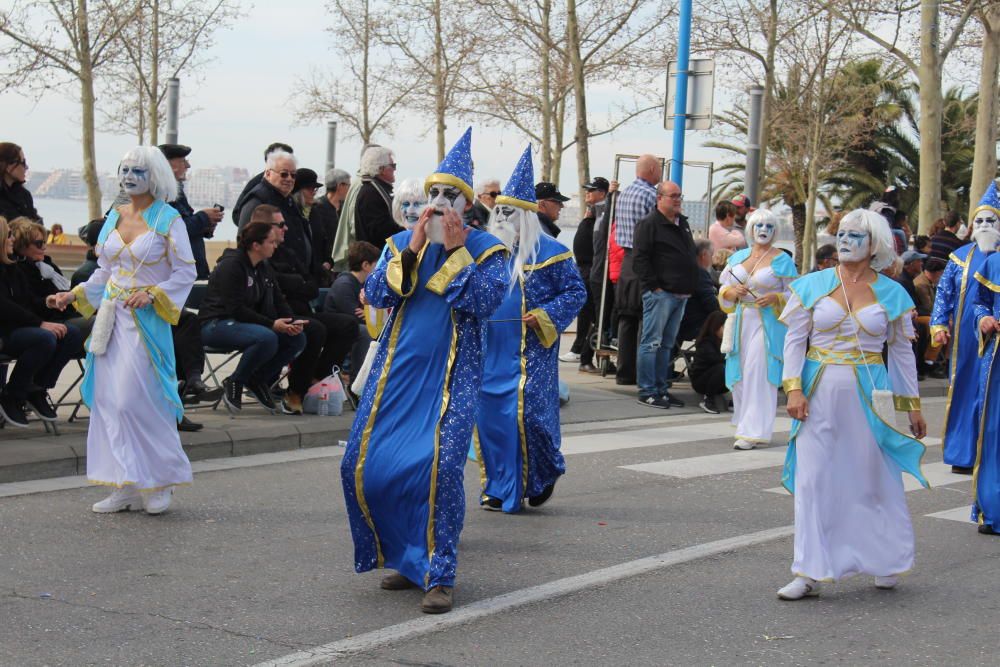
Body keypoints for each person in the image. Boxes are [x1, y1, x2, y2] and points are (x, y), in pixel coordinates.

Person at [340, 128, 508, 614]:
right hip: (397, 372)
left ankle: (440, 573)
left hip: (450, 377)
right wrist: (411, 250)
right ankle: (409, 557)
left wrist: (456, 252)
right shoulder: (397, 243)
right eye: (431, 194)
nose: (436, 204)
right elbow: (378, 294)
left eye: (447, 196)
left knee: (437, 468)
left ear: (466, 204)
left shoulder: (488, 250)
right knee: (365, 465)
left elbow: (483, 301)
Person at [776, 208, 928, 600]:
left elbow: (902, 353)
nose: (844, 240)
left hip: (871, 394)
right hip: (818, 391)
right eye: (841, 234)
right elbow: (794, 341)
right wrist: (793, 389)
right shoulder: (812, 285)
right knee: (813, 480)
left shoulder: (893, 293)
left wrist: (912, 406)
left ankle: (886, 560)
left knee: (873, 479)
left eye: (854, 235)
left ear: (874, 243)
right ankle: (808, 570)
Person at [47, 146, 197, 515]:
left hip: (146, 326)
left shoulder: (168, 219)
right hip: (111, 321)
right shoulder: (115, 214)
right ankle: (125, 483)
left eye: (138, 171)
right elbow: (105, 272)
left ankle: (159, 481)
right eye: (125, 169)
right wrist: (74, 294)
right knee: (109, 401)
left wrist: (153, 294)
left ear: (155, 176)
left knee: (138, 400)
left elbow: (186, 272)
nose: (129, 176)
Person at [476, 146, 587, 513]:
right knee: (491, 418)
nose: (504, 220)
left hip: (532, 352)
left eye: (511, 214)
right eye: (500, 213)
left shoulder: (554, 253)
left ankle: (541, 475)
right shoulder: (487, 255)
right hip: (491, 351)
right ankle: (497, 484)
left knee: (529, 419)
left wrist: (544, 315)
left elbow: (576, 292)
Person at [198, 219, 307, 412]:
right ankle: (236, 381)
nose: (275, 245)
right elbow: (235, 308)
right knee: (266, 337)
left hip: (243, 323)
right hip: (215, 324)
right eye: (271, 242)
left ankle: (257, 378)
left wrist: (291, 321)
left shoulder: (263, 267)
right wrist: (272, 324)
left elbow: (278, 299)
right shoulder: (232, 266)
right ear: (256, 245)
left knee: (296, 338)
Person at [930, 182, 1000, 474]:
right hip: (964, 342)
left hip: (994, 338)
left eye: (990, 220)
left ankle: (989, 454)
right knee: (962, 390)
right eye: (978, 221)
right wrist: (937, 326)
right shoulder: (959, 258)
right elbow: (943, 295)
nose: (983, 225)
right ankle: (962, 453)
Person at [264, 204, 357, 414]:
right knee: (314, 329)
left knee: (347, 325)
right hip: (278, 315)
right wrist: (297, 283)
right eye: (280, 225)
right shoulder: (263, 255)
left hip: (302, 309)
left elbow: (312, 285)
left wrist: (296, 284)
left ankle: (316, 379)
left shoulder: (289, 252)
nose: (285, 229)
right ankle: (296, 391)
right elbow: (276, 284)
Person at [719, 209, 798, 449]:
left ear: (775, 231)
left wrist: (776, 297)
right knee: (740, 373)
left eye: (769, 226)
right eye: (759, 226)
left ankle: (754, 430)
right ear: (751, 229)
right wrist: (732, 292)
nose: (764, 230)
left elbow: (795, 294)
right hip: (741, 321)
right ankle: (745, 423)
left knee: (758, 371)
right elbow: (723, 288)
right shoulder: (737, 258)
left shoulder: (782, 260)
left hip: (768, 324)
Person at [0, 216, 84, 427]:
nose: (12, 239)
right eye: (8, 235)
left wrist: (49, 301)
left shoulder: (13, 267)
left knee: (71, 333)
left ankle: (36, 387)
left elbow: (27, 301)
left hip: (22, 326)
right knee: (45, 338)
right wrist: (40, 323)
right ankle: (13, 393)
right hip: (6, 332)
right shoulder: (16, 268)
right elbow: (6, 307)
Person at [633, 180, 698, 409]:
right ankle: (647, 390)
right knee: (651, 343)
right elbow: (639, 259)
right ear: (659, 198)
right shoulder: (649, 224)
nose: (678, 199)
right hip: (661, 294)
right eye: (673, 195)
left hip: (681, 294)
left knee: (667, 344)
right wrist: (655, 287)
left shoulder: (683, 224)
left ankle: (662, 388)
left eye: (679, 195)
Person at [615, 154, 661, 385]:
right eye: (660, 169)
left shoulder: (624, 194)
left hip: (627, 261)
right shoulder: (651, 195)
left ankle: (624, 372)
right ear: (652, 169)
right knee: (647, 319)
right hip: (646, 261)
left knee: (627, 317)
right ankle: (646, 374)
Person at [237, 150, 315, 276]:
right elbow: (247, 244)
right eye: (284, 174)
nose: (289, 179)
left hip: (295, 279)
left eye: (293, 175)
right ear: (268, 173)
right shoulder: (257, 201)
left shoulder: (288, 199)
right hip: (274, 281)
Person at [562, 177, 608, 372]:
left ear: (603, 193)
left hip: (593, 269)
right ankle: (579, 350)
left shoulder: (604, 213)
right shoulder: (593, 213)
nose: (588, 193)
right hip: (584, 268)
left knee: (591, 313)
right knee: (585, 311)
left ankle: (582, 351)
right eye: (587, 189)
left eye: (593, 190)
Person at [159, 143, 224, 280]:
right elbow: (174, 232)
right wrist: (203, 218)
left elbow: (184, 226)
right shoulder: (161, 194)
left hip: (189, 272)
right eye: (183, 161)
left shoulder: (176, 191)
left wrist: (206, 226)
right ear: (168, 166)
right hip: (176, 277)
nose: (187, 166)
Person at [971, 251, 1000, 535]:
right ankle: (993, 509)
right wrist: (984, 319)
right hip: (998, 360)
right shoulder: (993, 263)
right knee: (993, 431)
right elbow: (980, 303)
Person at [325, 241, 381, 381]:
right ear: (365, 265)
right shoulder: (345, 285)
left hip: (350, 324)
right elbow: (356, 315)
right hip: (341, 328)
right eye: (376, 265)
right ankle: (357, 378)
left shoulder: (361, 284)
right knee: (366, 331)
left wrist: (367, 310)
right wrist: (369, 311)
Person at [231, 142, 294, 225]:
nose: (289, 178)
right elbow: (237, 215)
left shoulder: (290, 184)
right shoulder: (256, 185)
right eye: (284, 174)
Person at [354, 146, 401, 249]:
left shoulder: (375, 189)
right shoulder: (371, 194)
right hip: (376, 258)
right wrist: (406, 229)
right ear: (381, 169)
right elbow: (381, 231)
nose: (394, 169)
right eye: (393, 165)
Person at [676, 238, 721, 348]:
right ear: (704, 255)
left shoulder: (682, 269)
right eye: (712, 255)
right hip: (694, 326)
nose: (712, 259)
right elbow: (711, 304)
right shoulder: (700, 273)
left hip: (679, 323)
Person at [311, 168, 351, 273]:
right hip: (325, 264)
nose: (349, 189)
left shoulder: (345, 208)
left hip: (342, 263)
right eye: (348, 185)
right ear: (340, 186)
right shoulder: (317, 208)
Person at [913, 257, 947, 380]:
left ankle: (942, 360)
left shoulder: (928, 282)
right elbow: (929, 307)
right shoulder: (922, 283)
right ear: (937, 272)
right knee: (939, 326)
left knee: (947, 323)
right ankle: (929, 361)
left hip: (926, 314)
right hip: (920, 316)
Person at [689, 310, 728, 415]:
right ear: (715, 326)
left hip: (717, 382)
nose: (727, 331)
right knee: (721, 368)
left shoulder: (723, 340)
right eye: (724, 327)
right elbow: (716, 359)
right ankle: (708, 400)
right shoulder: (706, 342)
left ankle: (739, 398)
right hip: (701, 382)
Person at [0, 143, 40, 222]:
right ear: (9, 166)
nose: (26, 167)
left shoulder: (25, 195)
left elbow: (37, 223)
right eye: (23, 162)